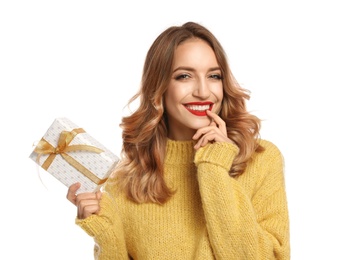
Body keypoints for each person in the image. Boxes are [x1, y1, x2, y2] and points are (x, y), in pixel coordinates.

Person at [67, 21, 290, 259]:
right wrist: (105, 232)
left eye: (214, 76)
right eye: (184, 76)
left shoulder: (260, 159)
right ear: (159, 87)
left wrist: (214, 167)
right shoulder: (127, 182)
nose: (204, 92)